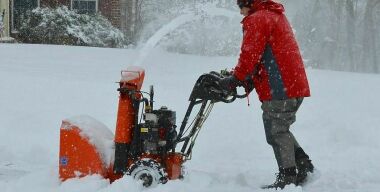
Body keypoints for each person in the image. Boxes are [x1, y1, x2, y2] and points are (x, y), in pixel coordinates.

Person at [219, 0, 314, 189]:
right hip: (292, 84)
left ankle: (288, 178)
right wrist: (247, 78)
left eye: (241, 6)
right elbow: (268, 54)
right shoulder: (275, 15)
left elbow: (250, 54)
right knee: (279, 129)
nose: (240, 12)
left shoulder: (257, 18)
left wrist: (235, 77)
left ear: (249, 3)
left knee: (276, 131)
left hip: (280, 87)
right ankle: (303, 165)